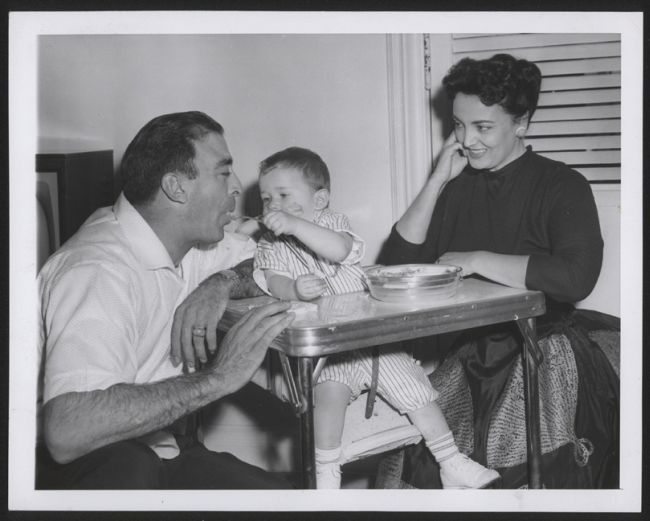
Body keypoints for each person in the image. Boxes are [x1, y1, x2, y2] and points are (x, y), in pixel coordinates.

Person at [377, 54, 620, 489]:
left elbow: (575, 277)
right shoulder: (457, 186)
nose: (467, 140)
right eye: (458, 125)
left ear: (521, 122)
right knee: (426, 465)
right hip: (469, 356)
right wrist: (436, 182)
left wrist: (473, 259)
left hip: (542, 351)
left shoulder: (562, 184)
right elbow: (396, 269)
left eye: (483, 127)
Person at [36, 111, 296, 489]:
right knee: (132, 469)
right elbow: (67, 430)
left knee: (280, 498)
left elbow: (275, 261)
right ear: (176, 187)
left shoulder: (191, 240)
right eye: (223, 173)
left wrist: (221, 282)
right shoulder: (95, 270)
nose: (237, 187)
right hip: (74, 466)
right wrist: (218, 378)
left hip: (159, 448)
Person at [251, 146, 500, 489]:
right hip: (328, 351)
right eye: (266, 199)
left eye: (282, 195)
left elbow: (338, 250)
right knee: (327, 401)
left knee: (418, 392)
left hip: (372, 343)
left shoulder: (332, 223)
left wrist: (295, 224)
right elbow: (272, 279)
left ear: (320, 200)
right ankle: (327, 475)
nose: (272, 206)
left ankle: (450, 461)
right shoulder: (270, 243)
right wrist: (292, 288)